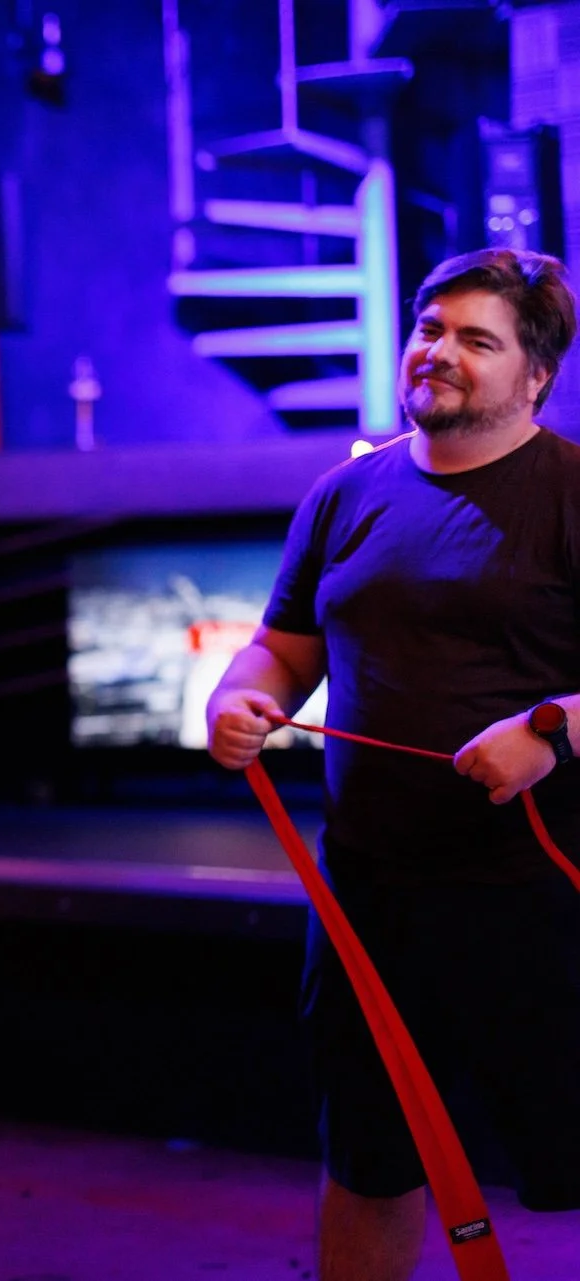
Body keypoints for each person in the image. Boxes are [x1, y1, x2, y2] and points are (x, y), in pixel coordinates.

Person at [205, 247, 580, 1281]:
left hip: (541, 904)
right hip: (368, 903)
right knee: (369, 1165)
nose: (438, 352)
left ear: (535, 376)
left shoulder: (573, 492)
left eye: (476, 339)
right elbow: (283, 649)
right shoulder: (345, 494)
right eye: (429, 328)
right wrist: (239, 698)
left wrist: (550, 728)